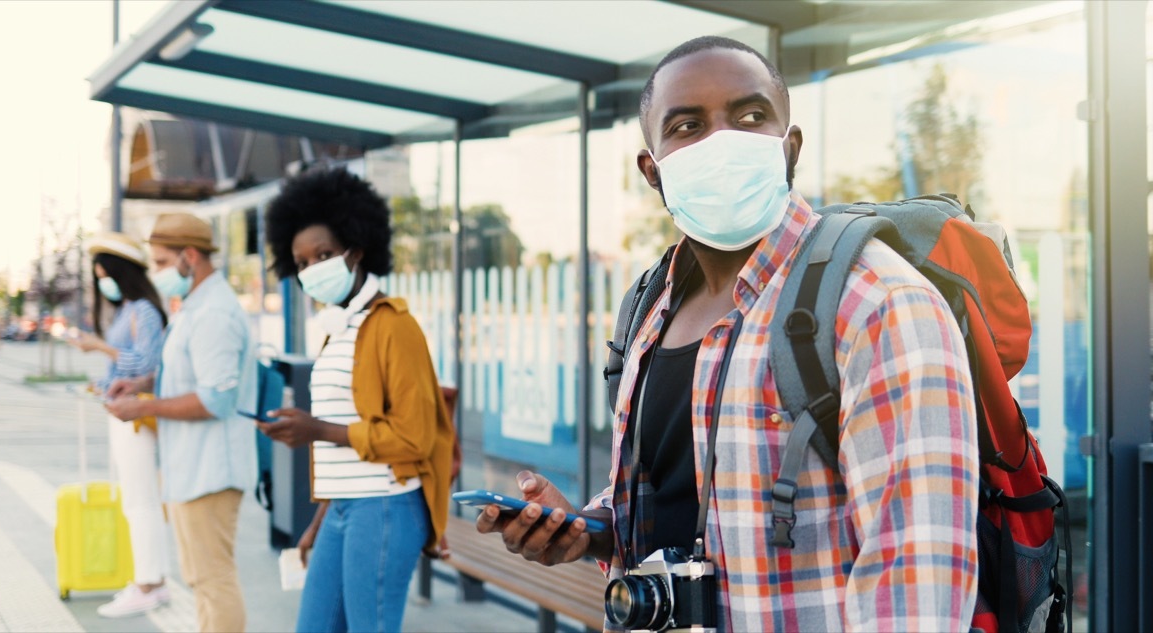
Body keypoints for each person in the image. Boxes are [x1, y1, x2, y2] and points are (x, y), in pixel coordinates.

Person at [475, 36, 979, 631]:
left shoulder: (877, 302)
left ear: (789, 148)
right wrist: (589, 532)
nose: (722, 140)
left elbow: (916, 585)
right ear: (651, 168)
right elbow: (678, 494)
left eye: (750, 117)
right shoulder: (650, 307)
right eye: (687, 126)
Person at [258, 166, 455, 633]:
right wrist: (317, 521)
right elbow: (346, 442)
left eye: (323, 254)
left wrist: (316, 430)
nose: (312, 269)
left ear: (357, 249)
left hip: (385, 507)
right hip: (342, 507)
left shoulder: (393, 325)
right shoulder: (338, 328)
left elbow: (412, 437)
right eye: (301, 263)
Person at [105, 213, 257, 633]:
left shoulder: (214, 315)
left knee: (213, 581)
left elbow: (215, 399)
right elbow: (187, 372)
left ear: (190, 257)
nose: (156, 273)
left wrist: (145, 408)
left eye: (159, 262)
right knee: (201, 580)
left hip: (211, 471)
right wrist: (142, 383)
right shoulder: (195, 307)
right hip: (191, 468)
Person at [67, 231, 170, 618]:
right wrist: (105, 380)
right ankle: (152, 580)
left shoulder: (142, 309)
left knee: (139, 500)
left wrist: (100, 347)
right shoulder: (130, 307)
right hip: (122, 409)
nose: (101, 280)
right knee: (139, 499)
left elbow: (144, 362)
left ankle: (147, 583)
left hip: (135, 415)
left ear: (120, 272)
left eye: (104, 273)